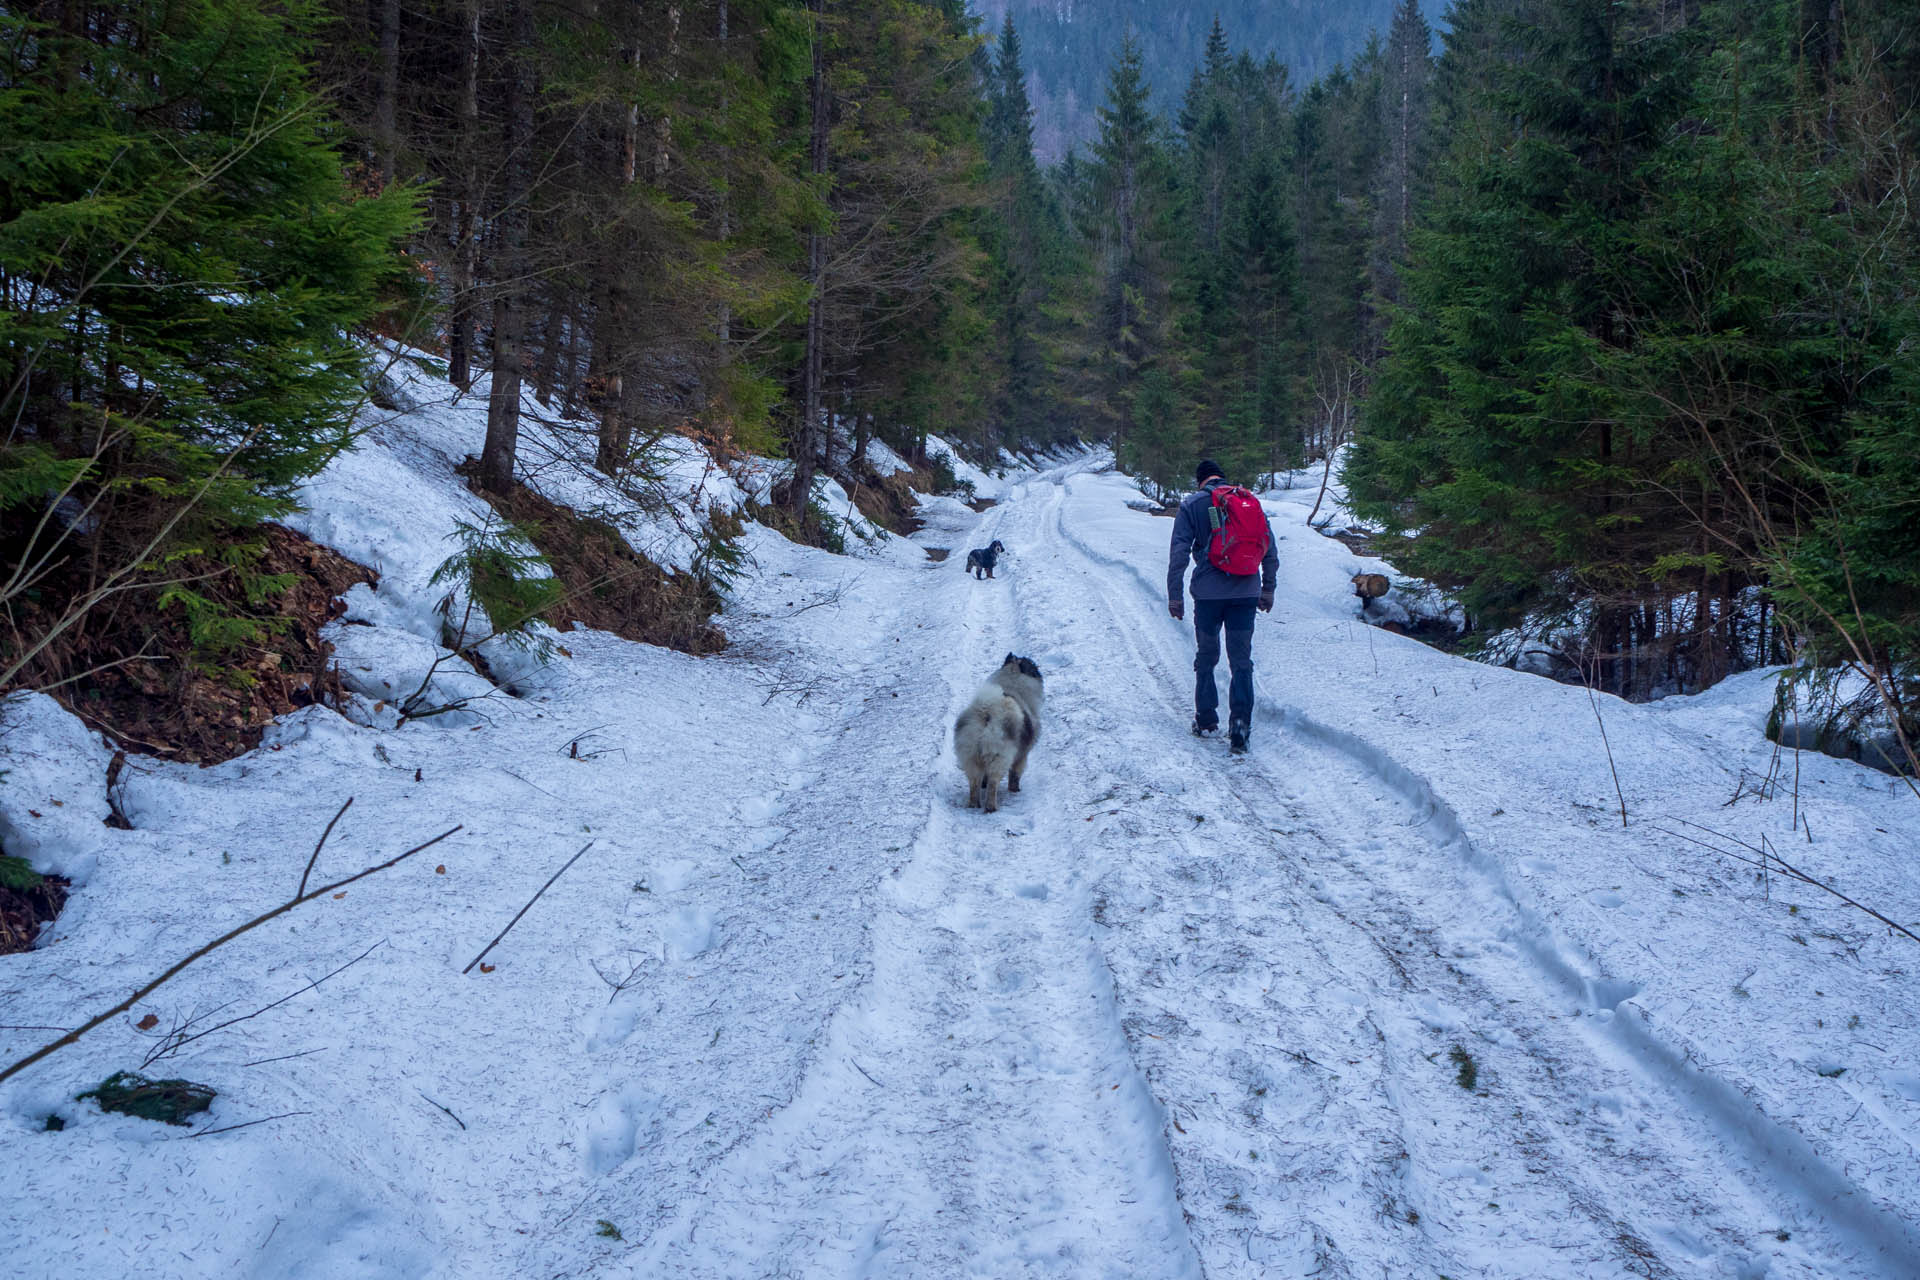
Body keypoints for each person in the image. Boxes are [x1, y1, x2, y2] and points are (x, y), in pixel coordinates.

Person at [1167, 458, 1278, 754]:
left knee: (1207, 655)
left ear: (1199, 480)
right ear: (1222, 479)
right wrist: (1268, 589)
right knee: (1241, 660)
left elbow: (1179, 552)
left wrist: (1175, 595)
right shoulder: (1246, 501)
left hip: (1208, 595)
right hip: (1246, 592)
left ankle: (1206, 719)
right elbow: (1269, 547)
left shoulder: (1193, 505)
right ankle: (1240, 724)